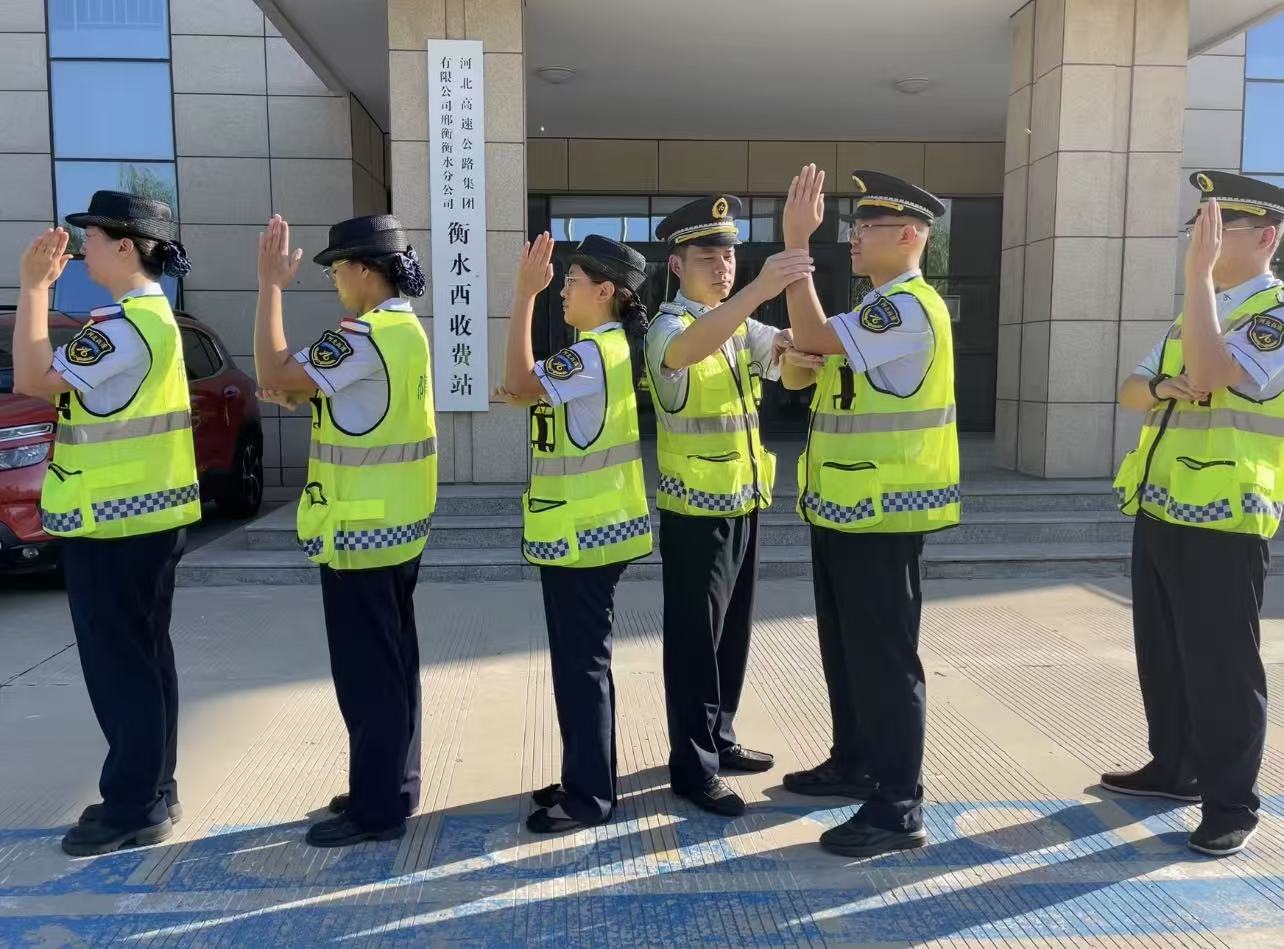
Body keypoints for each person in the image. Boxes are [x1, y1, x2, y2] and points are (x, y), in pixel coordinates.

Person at [777, 165, 960, 858]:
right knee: (847, 651)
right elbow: (806, 357)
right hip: (845, 509)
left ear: (911, 235)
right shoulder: (875, 309)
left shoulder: (907, 307)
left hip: (883, 513)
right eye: (854, 226)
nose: (853, 237)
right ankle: (854, 760)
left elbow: (811, 335)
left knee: (883, 660)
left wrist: (797, 248)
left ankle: (898, 804)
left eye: (868, 226)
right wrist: (802, 346)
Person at [11, 191, 198, 856]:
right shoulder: (153, 319)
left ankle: (133, 805)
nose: (81, 249)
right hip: (144, 520)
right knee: (146, 661)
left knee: (122, 670)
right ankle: (155, 789)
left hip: (112, 526)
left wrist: (33, 288)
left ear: (125, 246)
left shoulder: (122, 329)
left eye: (91, 237)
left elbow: (32, 378)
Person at [1104, 171, 1284, 858]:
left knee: (1221, 664)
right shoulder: (1195, 311)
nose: (1200, 239)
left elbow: (1209, 376)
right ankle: (1174, 765)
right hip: (1163, 502)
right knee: (1164, 651)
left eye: (1218, 228)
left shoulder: (1272, 314)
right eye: (1198, 227)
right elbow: (1130, 390)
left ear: (1267, 238)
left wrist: (1199, 282)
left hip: (1226, 513)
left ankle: (1232, 801)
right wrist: (1159, 385)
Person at [252, 214, 436, 848]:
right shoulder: (404, 331)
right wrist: (302, 392)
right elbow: (343, 400)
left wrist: (270, 286)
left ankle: (376, 809)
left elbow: (275, 370)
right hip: (396, 525)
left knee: (367, 677)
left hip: (359, 530)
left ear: (363, 270)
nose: (333, 280)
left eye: (335, 270)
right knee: (395, 665)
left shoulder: (363, 334)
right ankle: (392, 786)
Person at [646, 195, 814, 817]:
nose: (723, 267)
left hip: (743, 500)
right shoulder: (666, 328)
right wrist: (759, 290)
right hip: (695, 512)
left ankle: (719, 736)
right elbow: (688, 350)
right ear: (677, 265)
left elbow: (787, 364)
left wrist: (801, 355)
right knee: (695, 642)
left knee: (732, 634)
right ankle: (692, 768)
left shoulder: (741, 326)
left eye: (730, 257)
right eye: (708, 258)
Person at [493, 233, 652, 833]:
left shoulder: (591, 354)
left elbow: (518, 379)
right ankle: (587, 776)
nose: (562, 290)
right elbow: (526, 389)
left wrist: (523, 297)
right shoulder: (601, 351)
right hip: (589, 531)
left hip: (584, 535)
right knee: (581, 664)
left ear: (605, 291)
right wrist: (527, 390)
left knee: (581, 666)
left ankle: (590, 797)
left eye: (571, 282)